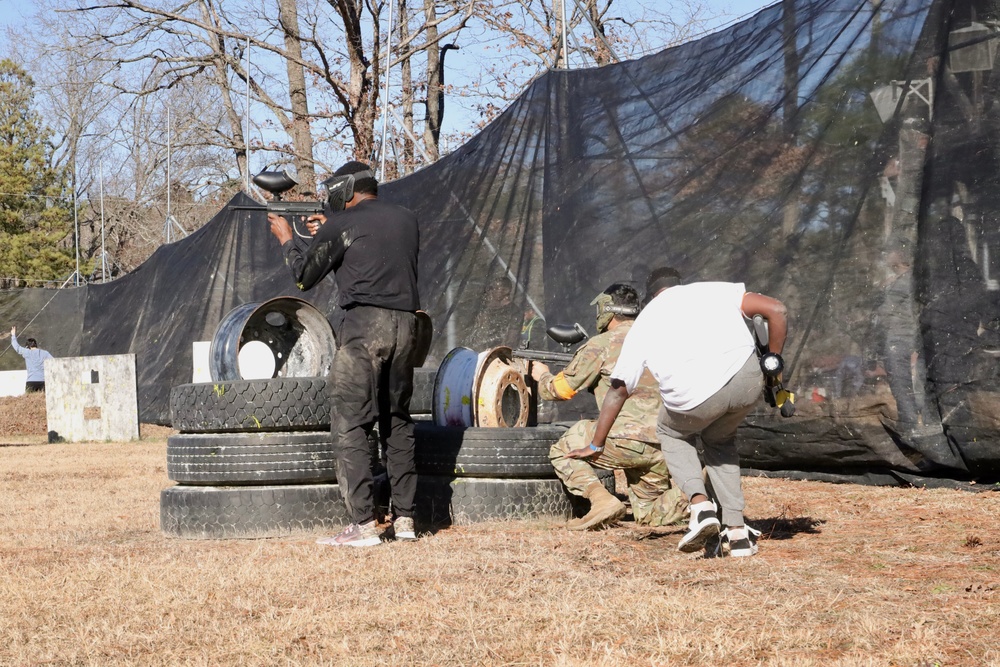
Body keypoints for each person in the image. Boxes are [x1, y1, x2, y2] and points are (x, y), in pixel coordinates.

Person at [577, 267, 788, 557]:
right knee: (720, 442)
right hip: (747, 381)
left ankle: (701, 507)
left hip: (694, 399)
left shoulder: (647, 319)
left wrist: (596, 443)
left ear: (653, 295)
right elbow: (776, 309)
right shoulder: (716, 290)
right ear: (680, 285)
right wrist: (774, 360)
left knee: (671, 432)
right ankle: (736, 532)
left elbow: (619, 388)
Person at [267, 161, 421, 547]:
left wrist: (288, 238)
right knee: (397, 421)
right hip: (407, 326)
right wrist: (330, 236)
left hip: (365, 328)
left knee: (350, 421)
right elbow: (364, 267)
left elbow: (304, 276)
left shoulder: (342, 224)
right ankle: (405, 522)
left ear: (347, 189)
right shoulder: (406, 219)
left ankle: (364, 526)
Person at [530, 283, 687, 531]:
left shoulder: (603, 343)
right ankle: (697, 491)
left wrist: (542, 376)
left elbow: (560, 391)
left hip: (623, 442)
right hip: (666, 446)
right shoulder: (664, 341)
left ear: (607, 311)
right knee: (649, 515)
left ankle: (601, 500)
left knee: (564, 448)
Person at [10, 327, 54, 393]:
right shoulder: (45, 353)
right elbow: (54, 362)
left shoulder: (27, 352)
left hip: (31, 381)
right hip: (43, 381)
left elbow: (17, 347)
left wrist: (13, 335)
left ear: (28, 347)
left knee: (29, 401)